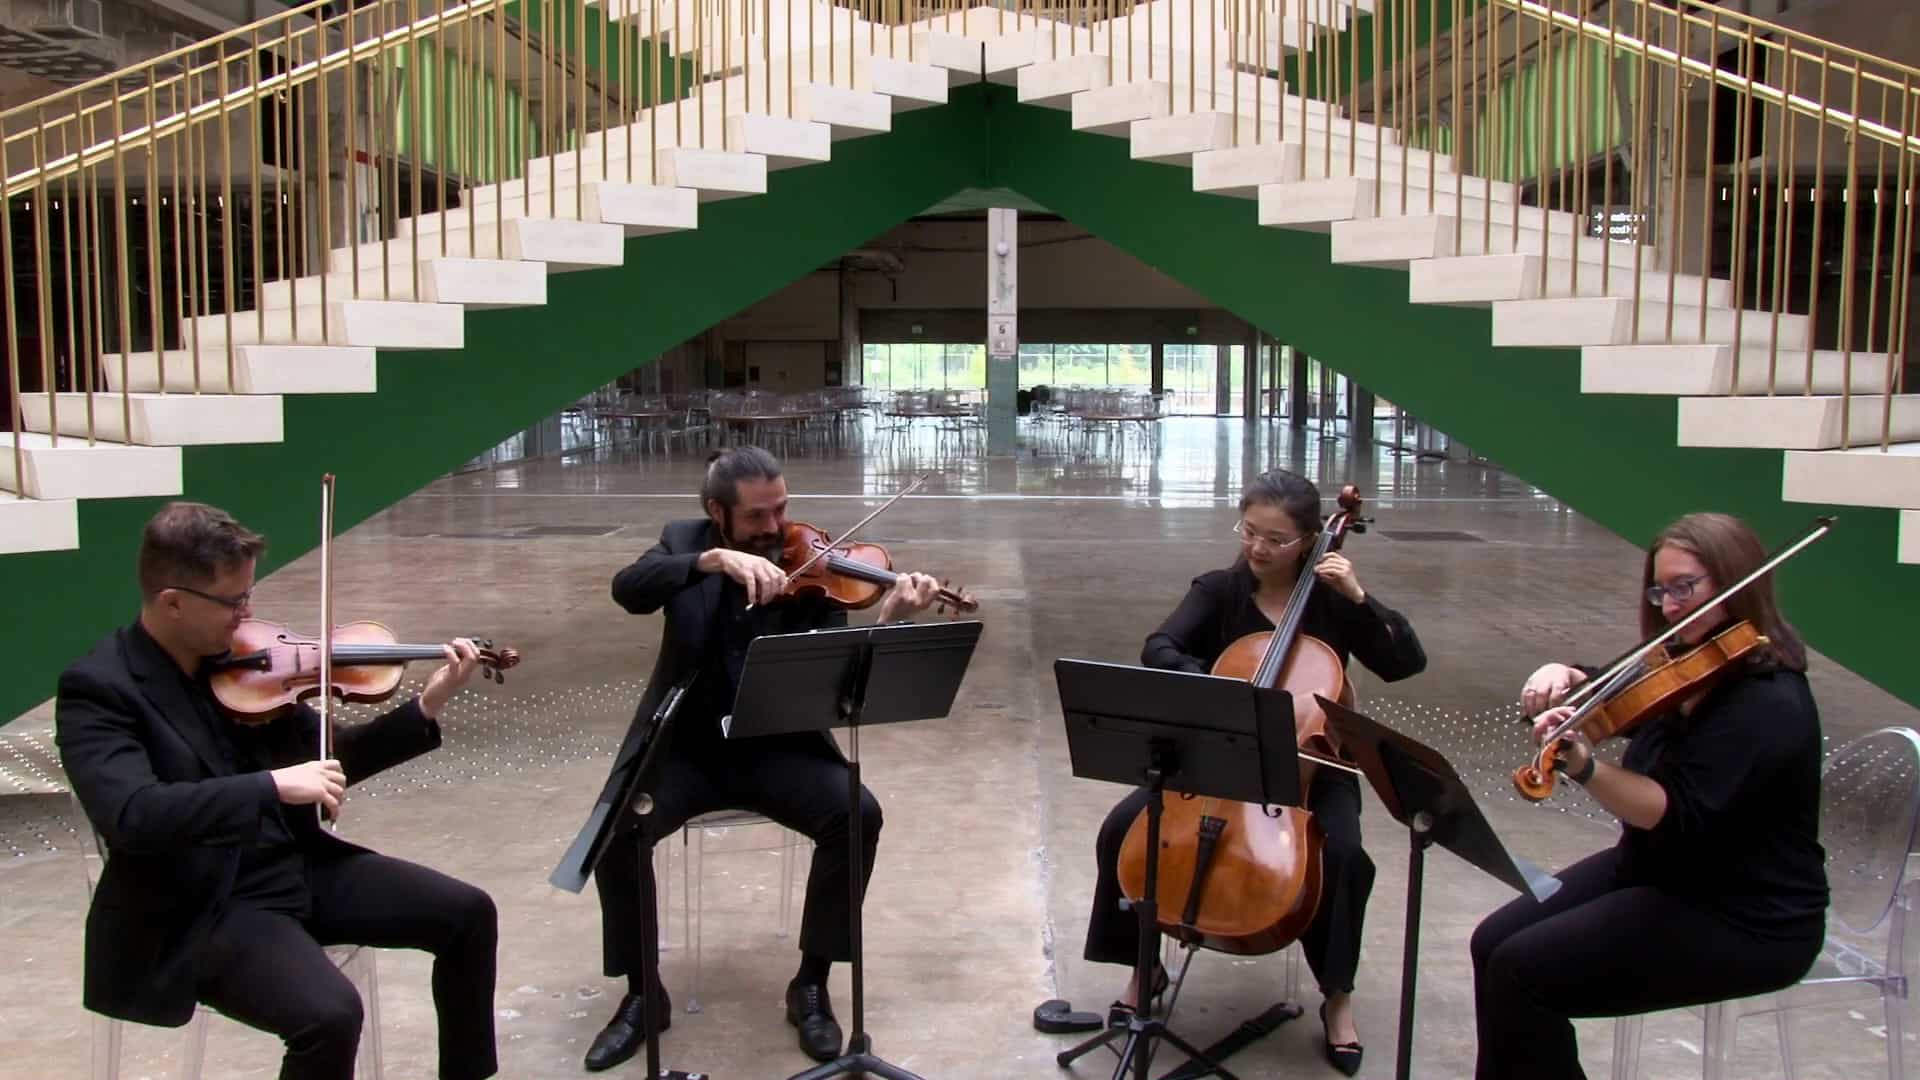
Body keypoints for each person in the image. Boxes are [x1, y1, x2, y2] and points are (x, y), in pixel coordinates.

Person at [55, 501, 499, 1080]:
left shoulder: (243, 664)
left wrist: (426, 704)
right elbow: (133, 815)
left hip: (295, 868)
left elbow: (328, 762)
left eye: (249, 596)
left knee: (467, 914)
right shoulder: (99, 689)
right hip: (203, 903)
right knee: (331, 1015)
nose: (247, 614)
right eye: (233, 601)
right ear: (173, 602)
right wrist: (268, 786)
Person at [570, 445, 942, 1072]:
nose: (775, 529)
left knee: (857, 813)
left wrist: (888, 616)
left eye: (782, 510)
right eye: (757, 518)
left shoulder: (815, 559)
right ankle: (642, 993)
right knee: (617, 831)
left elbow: (840, 662)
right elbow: (628, 590)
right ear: (717, 513)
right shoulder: (683, 541)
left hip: (778, 749)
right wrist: (710, 561)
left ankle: (812, 983)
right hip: (685, 751)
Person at [1080, 470, 1426, 1077]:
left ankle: (1336, 998)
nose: (1258, 548)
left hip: (1309, 765)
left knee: (1344, 857)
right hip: (1218, 755)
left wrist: (1361, 600)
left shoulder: (1332, 605)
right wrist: (1221, 681)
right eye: (1249, 531)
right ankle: (1144, 967)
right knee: (1121, 831)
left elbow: (1405, 663)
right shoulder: (1219, 590)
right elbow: (1158, 648)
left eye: (1276, 538)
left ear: (1311, 540)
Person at [1470, 511, 1829, 1080]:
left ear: (1738, 580)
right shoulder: (1687, 664)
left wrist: (1586, 769)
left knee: (1521, 972)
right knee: (1491, 941)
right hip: (1661, 872)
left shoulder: (1766, 703)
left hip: (1744, 912)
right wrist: (1563, 673)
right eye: (1660, 589)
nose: (1669, 605)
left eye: (1686, 587)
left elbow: (1672, 811)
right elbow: (1619, 696)